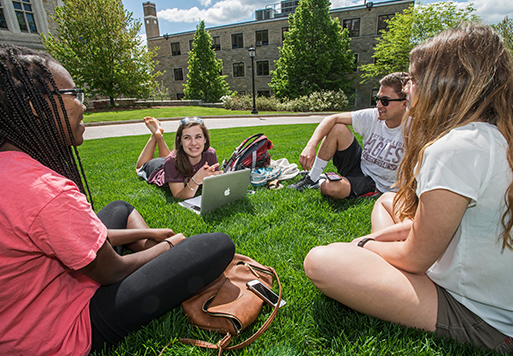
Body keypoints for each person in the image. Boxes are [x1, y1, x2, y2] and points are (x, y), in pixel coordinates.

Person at [0, 44, 235, 355]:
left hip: (21, 314)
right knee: (216, 245)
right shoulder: (44, 190)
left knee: (119, 209)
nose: (83, 106)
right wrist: (169, 246)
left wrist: (149, 233)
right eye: (74, 94)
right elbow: (113, 271)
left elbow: (83, 237)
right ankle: (166, 262)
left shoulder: (12, 170)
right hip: (59, 328)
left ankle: (158, 258)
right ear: (34, 107)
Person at [303, 23, 513, 353]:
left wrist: (366, 244)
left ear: (442, 84)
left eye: (411, 79)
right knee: (387, 201)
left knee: (321, 261)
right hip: (491, 289)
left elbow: (415, 258)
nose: (406, 87)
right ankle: (386, 275)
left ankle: (385, 278)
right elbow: (422, 227)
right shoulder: (493, 134)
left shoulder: (455, 149)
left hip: (482, 316)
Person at [288, 73, 408, 199]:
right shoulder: (372, 116)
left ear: (404, 104)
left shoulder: (415, 130)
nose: (378, 105)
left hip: (376, 183)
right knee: (337, 127)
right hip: (360, 167)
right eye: (377, 99)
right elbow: (332, 118)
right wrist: (311, 145)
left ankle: (333, 181)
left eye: (385, 101)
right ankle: (312, 178)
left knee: (329, 188)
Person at [136, 116, 220, 200]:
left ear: (205, 139)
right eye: (187, 137)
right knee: (139, 168)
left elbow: (216, 182)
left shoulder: (210, 154)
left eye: (198, 137)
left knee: (167, 158)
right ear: (180, 141)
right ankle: (156, 136)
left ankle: (159, 136)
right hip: (156, 168)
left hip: (170, 161)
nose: (193, 143)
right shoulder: (171, 161)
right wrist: (196, 180)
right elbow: (178, 195)